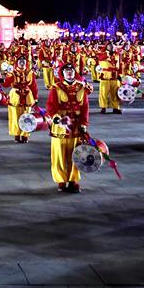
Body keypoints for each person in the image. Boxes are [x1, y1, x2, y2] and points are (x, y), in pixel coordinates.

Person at [45, 62, 89, 192]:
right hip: (60, 127)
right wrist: (57, 119)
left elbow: (85, 108)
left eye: (71, 71)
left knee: (75, 154)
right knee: (59, 155)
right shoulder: (56, 87)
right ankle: (61, 180)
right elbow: (50, 106)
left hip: (76, 126)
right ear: (62, 74)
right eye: (66, 72)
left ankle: (73, 180)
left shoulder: (81, 87)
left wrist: (84, 123)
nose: (69, 73)